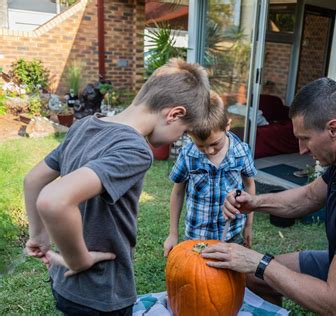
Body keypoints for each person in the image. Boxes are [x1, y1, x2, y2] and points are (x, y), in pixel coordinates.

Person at [202, 78, 336, 315]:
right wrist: (254, 202)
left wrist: (259, 262)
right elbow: (307, 197)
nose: (301, 149)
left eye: (305, 138)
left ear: (334, 129)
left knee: (260, 270)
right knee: (255, 277)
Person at [23, 58, 210, 315]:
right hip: (102, 290)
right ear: (174, 114)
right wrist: (80, 260)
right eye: (184, 131)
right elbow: (53, 200)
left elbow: (33, 180)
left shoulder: (83, 125)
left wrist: (38, 235)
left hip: (63, 285)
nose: (180, 138)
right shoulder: (135, 149)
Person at [163, 91, 257, 256]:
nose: (209, 150)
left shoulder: (241, 152)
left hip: (231, 233)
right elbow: (177, 193)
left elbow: (249, 185)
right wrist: (173, 233)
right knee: (195, 278)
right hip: (196, 236)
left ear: (227, 125)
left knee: (229, 279)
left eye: (215, 143)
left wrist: (248, 226)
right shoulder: (188, 154)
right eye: (201, 146)